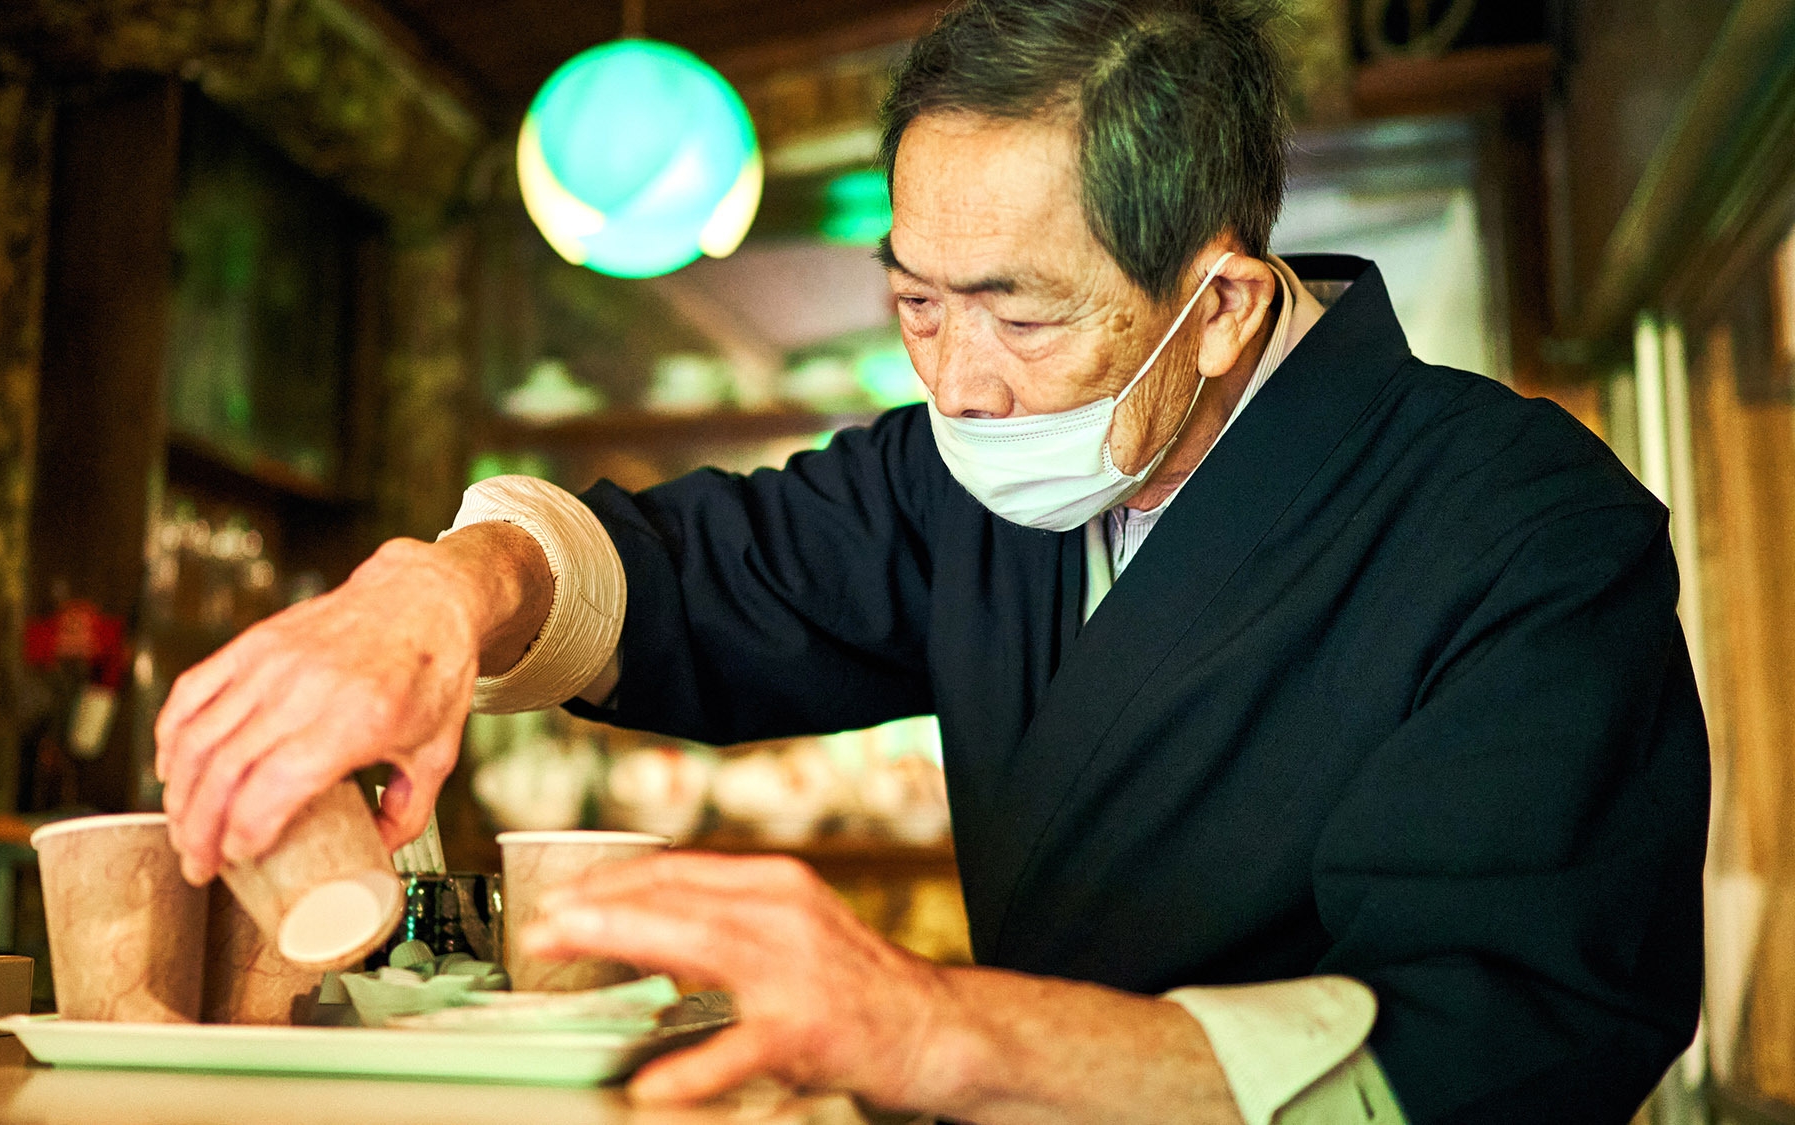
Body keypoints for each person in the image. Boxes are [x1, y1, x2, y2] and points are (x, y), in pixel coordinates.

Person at [154, 1, 1710, 1121]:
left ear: (1223, 304)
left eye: (1020, 314)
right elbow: (689, 572)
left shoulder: (1523, 532)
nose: (957, 383)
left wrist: (944, 1028)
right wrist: (443, 588)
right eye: (916, 304)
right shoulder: (975, 483)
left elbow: (1513, 1041)